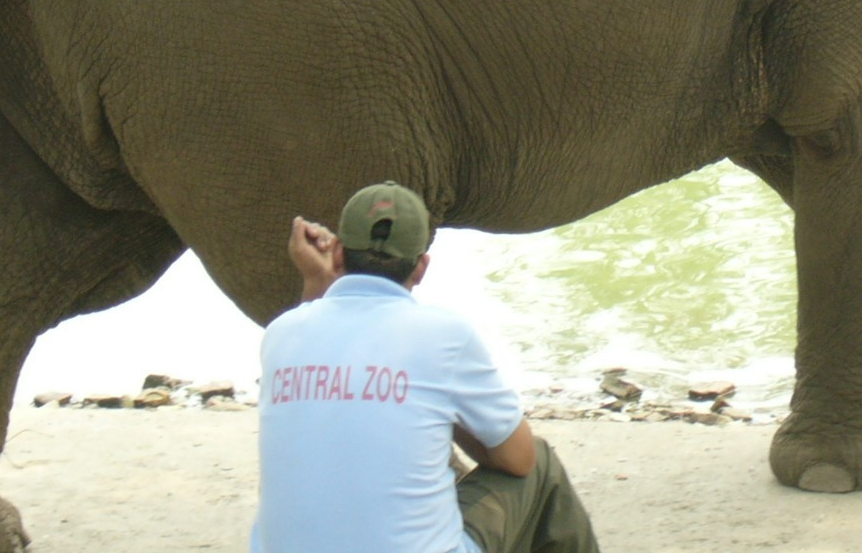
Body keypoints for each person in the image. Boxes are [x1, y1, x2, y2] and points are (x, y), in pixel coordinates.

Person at [251, 181, 600, 553]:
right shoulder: (444, 336)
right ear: (421, 268)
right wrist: (442, 404)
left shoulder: (280, 334)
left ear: (337, 252)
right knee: (540, 462)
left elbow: (327, 359)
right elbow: (518, 459)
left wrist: (316, 281)